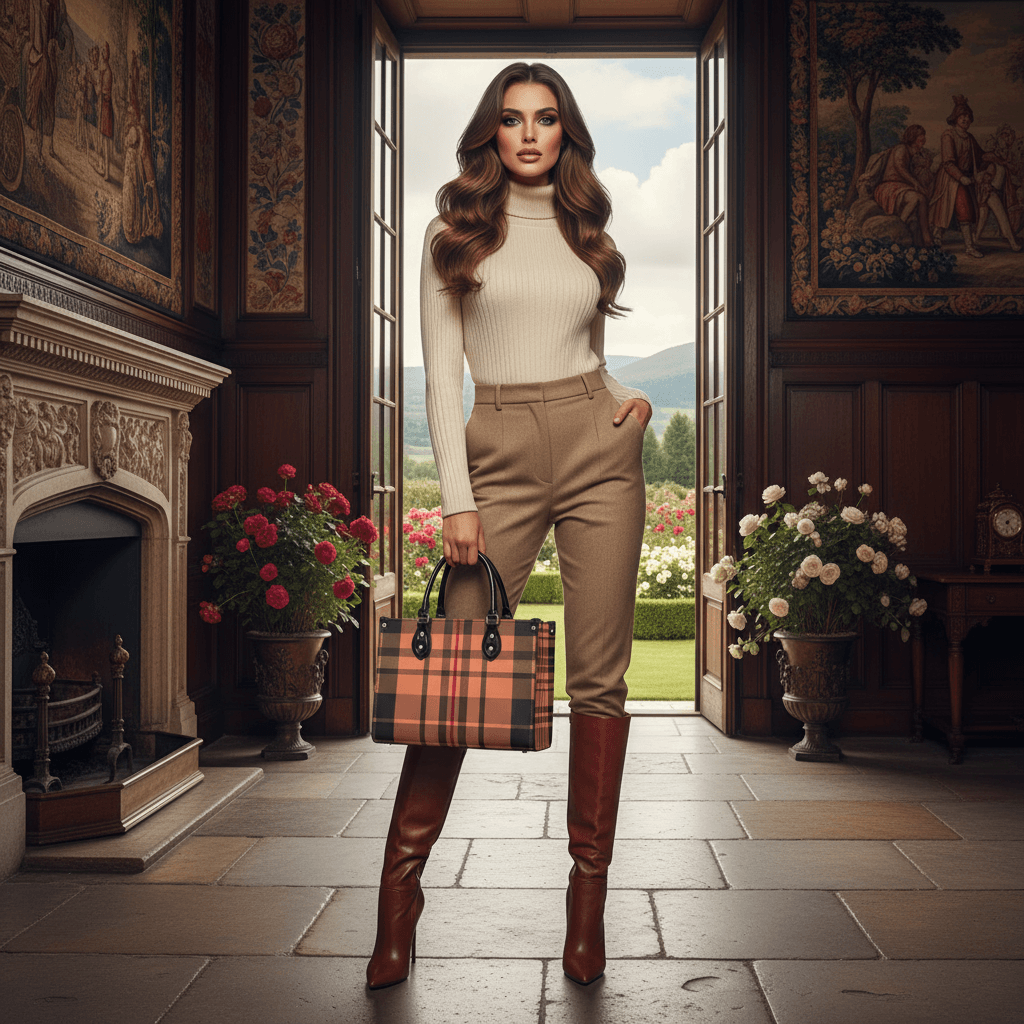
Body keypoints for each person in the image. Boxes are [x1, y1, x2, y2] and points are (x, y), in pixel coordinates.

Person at [366, 62, 652, 991]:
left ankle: (587, 914)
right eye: (513, 120)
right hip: (494, 456)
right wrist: (456, 496)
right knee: (450, 674)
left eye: (548, 120)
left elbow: (586, 354)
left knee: (601, 682)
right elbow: (441, 377)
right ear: (491, 131)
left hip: (599, 445)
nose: (530, 135)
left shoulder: (586, 228)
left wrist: (628, 399)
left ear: (565, 134)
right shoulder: (454, 232)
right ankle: (398, 903)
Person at [928, 95, 1002, 258]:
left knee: (965, 211)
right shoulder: (948, 135)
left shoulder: (969, 138)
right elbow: (948, 163)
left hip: (966, 180)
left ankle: (969, 246)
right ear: (955, 118)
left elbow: (980, 155)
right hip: (950, 180)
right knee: (946, 211)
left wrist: (992, 156)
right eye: (962, 116)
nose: (965, 119)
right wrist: (961, 177)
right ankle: (938, 242)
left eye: (968, 117)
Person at [872, 124, 933, 247]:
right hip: (889, 187)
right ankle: (899, 228)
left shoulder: (917, 153)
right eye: (920, 135)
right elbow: (900, 168)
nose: (924, 138)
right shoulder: (901, 149)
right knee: (917, 198)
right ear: (913, 137)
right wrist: (915, 183)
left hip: (901, 187)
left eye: (924, 135)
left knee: (922, 199)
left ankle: (926, 238)